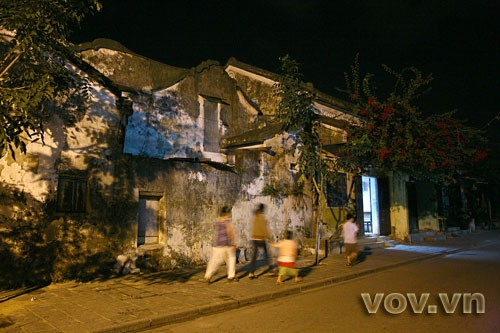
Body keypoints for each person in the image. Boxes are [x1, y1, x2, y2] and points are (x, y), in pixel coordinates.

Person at [204, 206, 239, 283]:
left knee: (215, 260)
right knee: (232, 258)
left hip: (218, 244)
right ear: (227, 213)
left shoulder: (218, 221)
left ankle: (208, 275)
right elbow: (230, 232)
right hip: (227, 244)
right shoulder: (228, 221)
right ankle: (231, 276)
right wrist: (233, 243)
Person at [248, 203, 271, 279]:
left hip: (254, 238)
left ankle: (251, 273)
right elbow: (263, 229)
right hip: (260, 239)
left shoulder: (255, 217)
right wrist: (269, 237)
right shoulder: (262, 217)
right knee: (266, 254)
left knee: (254, 256)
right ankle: (269, 268)